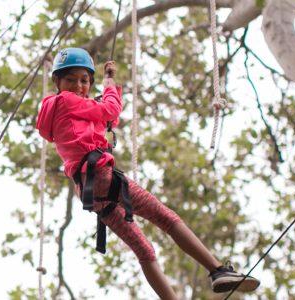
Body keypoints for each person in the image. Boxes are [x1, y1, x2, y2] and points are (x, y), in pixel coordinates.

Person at [34, 47, 260, 297]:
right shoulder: (65, 100)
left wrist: (111, 88)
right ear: (57, 81)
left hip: (90, 191)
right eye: (71, 79)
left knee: (144, 251)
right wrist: (109, 85)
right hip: (101, 177)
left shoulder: (61, 110)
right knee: (167, 218)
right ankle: (218, 270)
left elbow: (107, 121)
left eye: (84, 80)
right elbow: (110, 111)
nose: (78, 86)